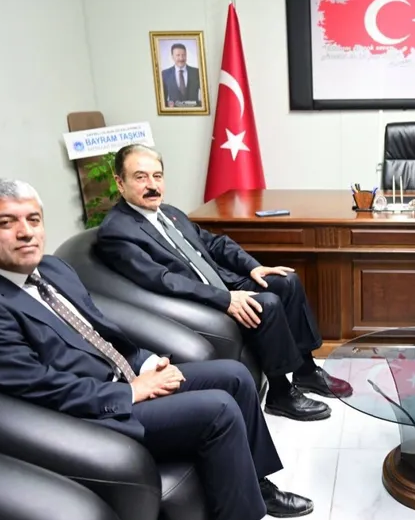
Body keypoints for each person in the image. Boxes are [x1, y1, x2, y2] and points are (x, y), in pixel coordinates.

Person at [0, 178, 310, 520]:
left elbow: (99, 330)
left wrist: (145, 362)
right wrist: (131, 391)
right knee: (217, 410)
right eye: (6, 222)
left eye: (33, 219)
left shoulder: (51, 268)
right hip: (87, 414)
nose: (26, 232)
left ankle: (255, 486)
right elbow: (37, 387)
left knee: (234, 376)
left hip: (121, 379)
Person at [95, 144, 354, 424]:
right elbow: (162, 280)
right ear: (120, 183)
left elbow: (214, 243)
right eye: (141, 177)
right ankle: (280, 394)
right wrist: (225, 298)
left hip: (221, 282)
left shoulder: (168, 212)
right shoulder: (117, 231)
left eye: (157, 176)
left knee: (285, 281)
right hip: (197, 303)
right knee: (265, 303)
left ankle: (306, 371)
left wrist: (253, 267)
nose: (152, 185)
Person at [161, 42, 202, 107]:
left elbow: (205, 95)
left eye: (183, 55)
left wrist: (199, 106)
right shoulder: (165, 74)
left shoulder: (197, 72)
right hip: (173, 112)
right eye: (178, 55)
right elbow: (162, 99)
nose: (181, 58)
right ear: (172, 57)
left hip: (194, 111)